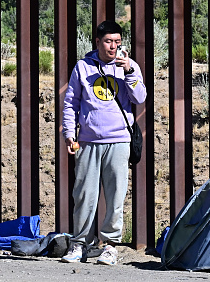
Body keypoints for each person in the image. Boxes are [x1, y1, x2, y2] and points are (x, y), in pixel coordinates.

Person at [60, 20, 146, 265]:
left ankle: (110, 246)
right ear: (97, 42)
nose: (113, 47)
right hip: (88, 141)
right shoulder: (82, 67)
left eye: (117, 42)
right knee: (84, 194)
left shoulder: (129, 67)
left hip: (119, 140)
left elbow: (140, 97)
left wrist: (129, 71)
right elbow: (71, 102)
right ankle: (79, 244)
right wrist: (69, 132)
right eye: (108, 41)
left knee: (115, 195)